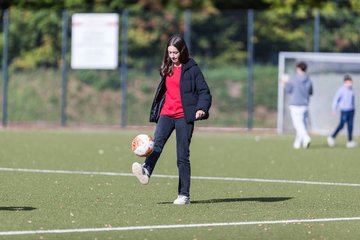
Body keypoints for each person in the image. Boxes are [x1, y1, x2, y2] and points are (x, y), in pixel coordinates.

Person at [132, 34, 212, 205]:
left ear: (182, 51)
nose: (172, 56)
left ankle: (184, 195)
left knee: (182, 156)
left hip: (184, 117)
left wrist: (201, 108)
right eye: (170, 52)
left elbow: (204, 92)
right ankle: (146, 170)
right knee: (157, 144)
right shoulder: (167, 67)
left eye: (175, 52)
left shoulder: (192, 69)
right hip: (166, 114)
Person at [282, 61, 313, 149]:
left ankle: (306, 138)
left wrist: (284, 83)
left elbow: (288, 90)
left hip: (295, 105)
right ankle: (297, 143)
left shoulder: (294, 79)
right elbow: (311, 92)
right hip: (305, 104)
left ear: (299, 69)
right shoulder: (309, 80)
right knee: (302, 124)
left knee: (298, 124)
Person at [327, 74, 357, 148]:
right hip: (344, 110)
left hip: (351, 110)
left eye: (351, 82)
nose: (350, 84)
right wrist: (334, 109)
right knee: (342, 125)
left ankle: (350, 141)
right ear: (345, 82)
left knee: (350, 126)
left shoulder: (351, 89)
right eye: (348, 82)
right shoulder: (341, 90)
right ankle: (332, 136)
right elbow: (336, 100)